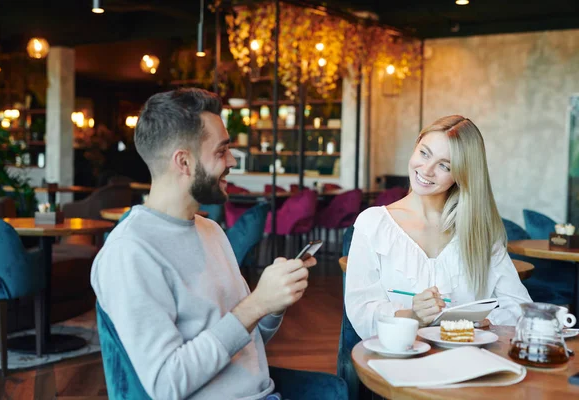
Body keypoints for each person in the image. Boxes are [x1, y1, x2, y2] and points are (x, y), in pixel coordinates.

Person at [91, 89, 344, 399]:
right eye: (222, 151)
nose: (232, 160)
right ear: (183, 161)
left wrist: (273, 304)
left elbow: (247, 342)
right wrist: (256, 304)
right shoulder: (129, 252)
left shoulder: (211, 230)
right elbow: (166, 384)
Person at [345, 115, 532, 339]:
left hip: (469, 362)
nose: (427, 170)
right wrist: (413, 315)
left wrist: (486, 321)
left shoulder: (479, 232)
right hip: (400, 360)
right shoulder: (373, 224)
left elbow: (521, 308)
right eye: (424, 153)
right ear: (416, 146)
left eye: (444, 165)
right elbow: (361, 312)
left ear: (461, 175)